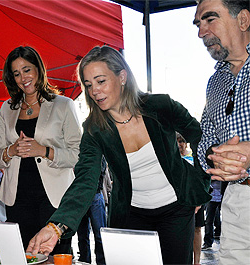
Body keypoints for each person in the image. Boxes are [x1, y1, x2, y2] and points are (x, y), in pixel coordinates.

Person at [27, 45, 211, 265]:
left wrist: (200, 186)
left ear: (122, 77)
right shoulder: (94, 129)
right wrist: (56, 226)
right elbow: (85, 180)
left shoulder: (161, 106)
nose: (94, 91)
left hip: (177, 210)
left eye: (101, 81)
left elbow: (201, 137)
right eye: (88, 85)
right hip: (132, 215)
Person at [0, 46, 82, 253]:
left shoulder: (63, 105)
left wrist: (45, 151)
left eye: (27, 69)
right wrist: (10, 151)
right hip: (17, 200)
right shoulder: (6, 108)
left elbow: (78, 155)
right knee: (23, 255)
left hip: (55, 199)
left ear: (38, 69)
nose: (23, 78)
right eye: (16, 73)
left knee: (55, 256)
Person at [194, 0, 250, 264]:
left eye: (210, 19)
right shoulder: (215, 82)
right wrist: (215, 156)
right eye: (199, 24)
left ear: (243, 20)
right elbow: (205, 137)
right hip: (237, 198)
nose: (201, 32)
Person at [176, 133, 205, 265]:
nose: (180, 144)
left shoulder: (193, 158)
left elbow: (201, 177)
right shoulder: (172, 159)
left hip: (195, 198)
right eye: (177, 141)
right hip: (179, 200)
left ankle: (197, 261)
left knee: (197, 229)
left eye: (182, 141)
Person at [77, 156, 108, 265]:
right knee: (82, 236)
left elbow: (101, 173)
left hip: (95, 196)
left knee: (100, 235)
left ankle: (102, 262)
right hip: (80, 197)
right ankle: (84, 261)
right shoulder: (79, 152)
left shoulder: (100, 154)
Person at [202, 180, 222, 250]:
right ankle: (208, 242)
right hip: (212, 196)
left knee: (227, 219)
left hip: (224, 195)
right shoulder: (210, 168)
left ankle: (218, 233)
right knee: (209, 221)